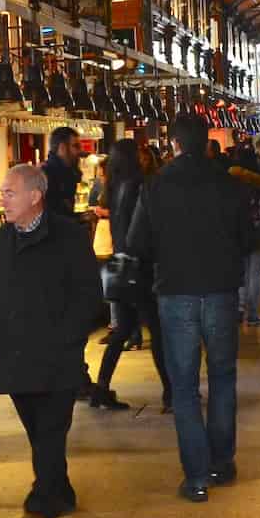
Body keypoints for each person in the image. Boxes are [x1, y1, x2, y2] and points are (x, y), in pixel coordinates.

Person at [127, 113, 251, 502]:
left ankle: (197, 477)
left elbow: (138, 243)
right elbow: (248, 238)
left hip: (175, 291)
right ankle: (222, 463)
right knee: (223, 379)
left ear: (176, 144)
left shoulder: (155, 186)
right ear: (207, 142)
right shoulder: (230, 184)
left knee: (183, 387)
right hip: (221, 291)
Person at [0, 163, 102, 518]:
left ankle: (40, 503)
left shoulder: (69, 238)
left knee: (50, 428)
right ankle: (60, 488)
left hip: (58, 356)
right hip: (14, 357)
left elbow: (89, 294)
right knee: (38, 430)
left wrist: (69, 336)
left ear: (35, 196)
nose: (3, 199)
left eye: (10, 193)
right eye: (2, 192)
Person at [91, 139, 171, 412]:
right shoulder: (139, 185)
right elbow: (146, 228)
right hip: (139, 266)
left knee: (122, 329)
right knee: (158, 330)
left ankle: (101, 387)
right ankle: (171, 393)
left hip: (118, 265)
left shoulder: (112, 188)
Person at [228, 141, 260, 328]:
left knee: (241, 273)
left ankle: (239, 310)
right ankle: (253, 313)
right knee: (254, 275)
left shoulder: (230, 182)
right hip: (258, 231)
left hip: (237, 233)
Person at [44, 126, 82, 218]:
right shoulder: (46, 175)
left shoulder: (68, 172)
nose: (79, 151)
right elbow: (52, 216)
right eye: (75, 146)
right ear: (62, 148)